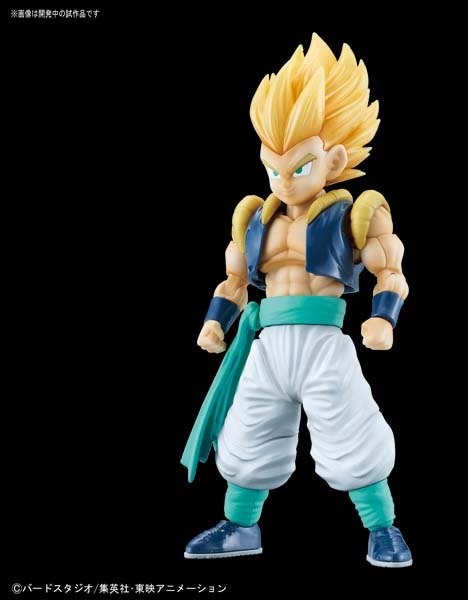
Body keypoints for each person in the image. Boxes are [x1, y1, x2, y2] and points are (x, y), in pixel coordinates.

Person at [181, 33, 411, 568]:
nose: (284, 181)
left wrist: (383, 319)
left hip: (323, 343)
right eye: (274, 168)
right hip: (267, 344)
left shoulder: (358, 213)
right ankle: (240, 526)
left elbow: (391, 271)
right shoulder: (254, 218)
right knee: (248, 431)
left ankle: (383, 528)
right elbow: (233, 281)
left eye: (299, 167)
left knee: (351, 432)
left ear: (333, 158)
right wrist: (215, 324)